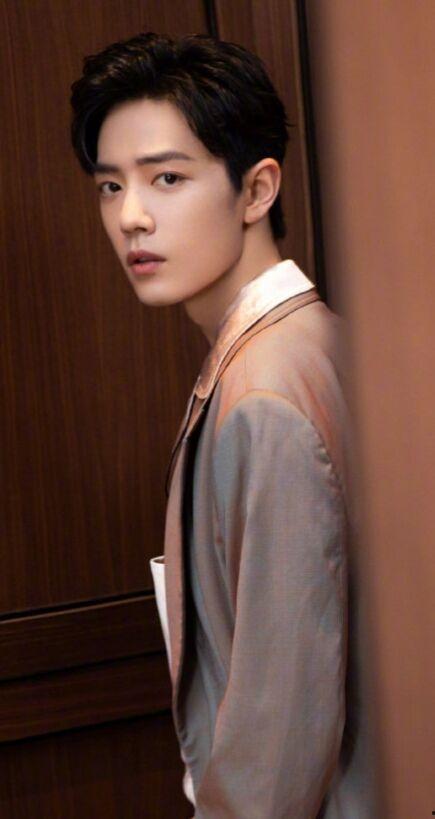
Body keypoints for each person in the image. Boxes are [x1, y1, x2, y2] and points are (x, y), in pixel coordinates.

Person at [70, 32, 378, 818]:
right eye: (109, 185)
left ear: (256, 189)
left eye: (166, 178)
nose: (130, 216)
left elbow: (278, 746)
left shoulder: (262, 398)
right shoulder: (320, 341)